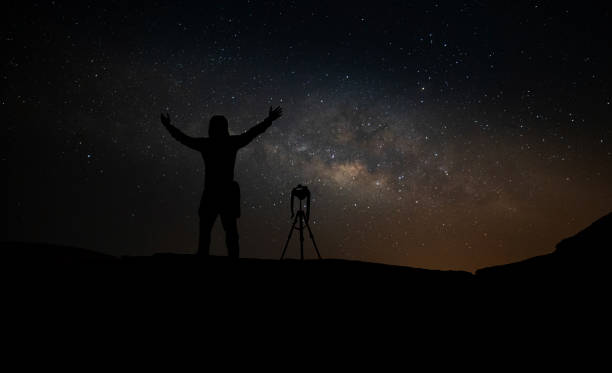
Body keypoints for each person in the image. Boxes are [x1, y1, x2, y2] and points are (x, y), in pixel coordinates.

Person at [161, 106, 283, 258]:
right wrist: (269, 120)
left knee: (208, 230)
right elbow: (253, 133)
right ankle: (231, 257)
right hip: (225, 193)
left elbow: (183, 139)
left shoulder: (207, 144)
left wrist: (168, 126)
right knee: (229, 231)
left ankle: (204, 255)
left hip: (212, 192)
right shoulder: (231, 143)